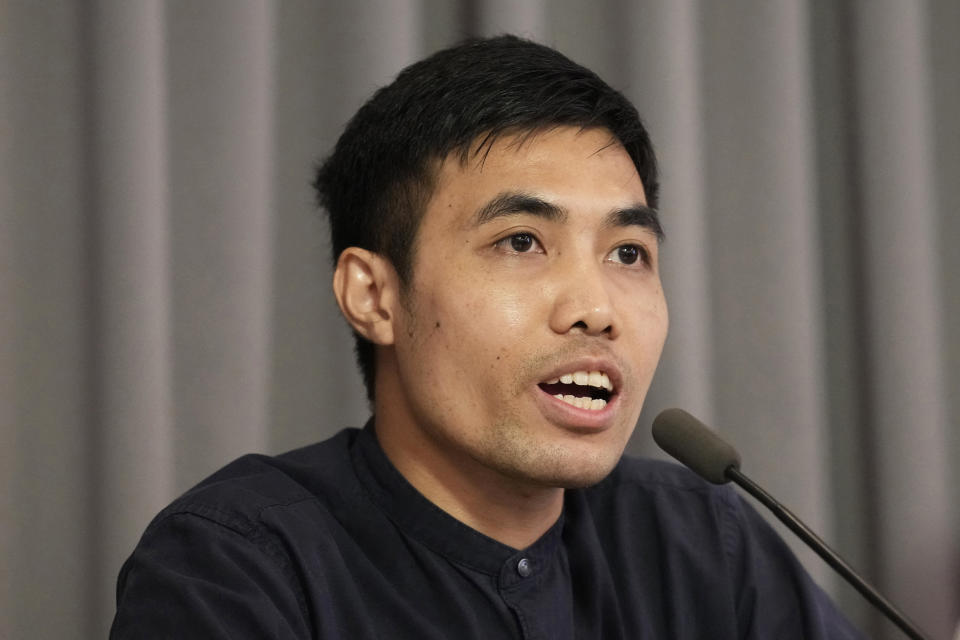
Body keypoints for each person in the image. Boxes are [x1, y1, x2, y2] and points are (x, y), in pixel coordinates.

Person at [110, 35, 863, 639]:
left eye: (628, 253)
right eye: (521, 242)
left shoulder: (699, 540)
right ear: (373, 295)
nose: (595, 308)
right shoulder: (238, 562)